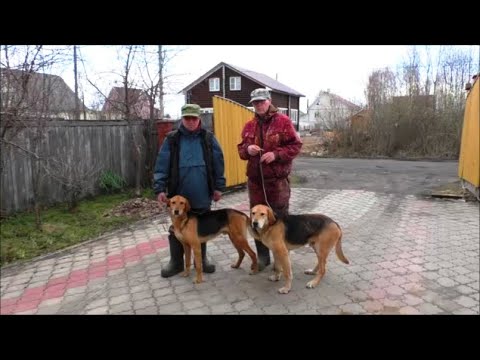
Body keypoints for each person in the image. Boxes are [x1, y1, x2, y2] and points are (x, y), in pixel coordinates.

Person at [154, 103, 226, 278]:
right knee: (176, 227)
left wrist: (218, 187)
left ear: (199, 118)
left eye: (194, 118)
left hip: (202, 192)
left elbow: (218, 163)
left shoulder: (208, 139)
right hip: (179, 192)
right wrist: (160, 188)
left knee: (201, 225)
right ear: (182, 119)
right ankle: (176, 262)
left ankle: (201, 260)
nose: (191, 122)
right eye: (187, 118)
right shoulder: (172, 140)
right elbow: (162, 164)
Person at [237, 88, 302, 271]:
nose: (258, 105)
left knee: (279, 220)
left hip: (277, 183)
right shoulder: (249, 125)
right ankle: (263, 257)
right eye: (255, 103)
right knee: (257, 222)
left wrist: (276, 154)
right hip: (256, 183)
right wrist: (247, 149)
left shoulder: (283, 122)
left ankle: (281, 258)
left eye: (261, 102)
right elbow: (241, 149)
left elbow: (296, 146)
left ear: (269, 101)